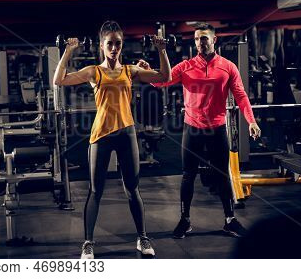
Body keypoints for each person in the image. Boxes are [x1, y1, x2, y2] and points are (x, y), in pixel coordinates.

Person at [53, 21, 171, 259]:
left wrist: (162, 50)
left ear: (122, 44)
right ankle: (88, 242)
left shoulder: (130, 70)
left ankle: (143, 238)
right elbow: (59, 79)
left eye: (118, 43)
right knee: (95, 191)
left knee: (132, 189)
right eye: (110, 44)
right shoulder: (94, 71)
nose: (114, 48)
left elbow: (164, 76)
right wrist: (67, 51)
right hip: (101, 135)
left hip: (127, 133)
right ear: (102, 46)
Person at [150, 23, 261, 239]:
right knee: (187, 176)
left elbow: (241, 96)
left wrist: (251, 121)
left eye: (204, 38)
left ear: (214, 40)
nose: (200, 43)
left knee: (222, 176)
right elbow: (161, 82)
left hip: (217, 128)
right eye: (197, 39)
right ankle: (185, 220)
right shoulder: (186, 66)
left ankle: (230, 220)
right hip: (192, 128)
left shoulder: (228, 67)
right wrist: (149, 68)